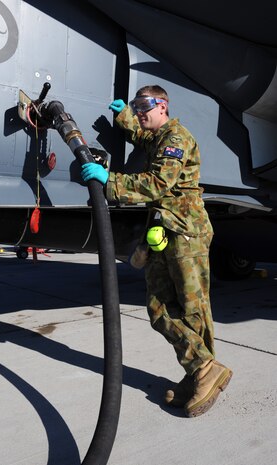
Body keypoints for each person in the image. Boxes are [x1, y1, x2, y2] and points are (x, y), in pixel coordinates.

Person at [81, 85, 232, 417]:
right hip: (166, 232)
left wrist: (109, 181)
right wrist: (123, 115)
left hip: (186, 233)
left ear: (162, 106)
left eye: (143, 106)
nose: (139, 112)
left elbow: (156, 184)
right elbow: (140, 135)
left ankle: (202, 372)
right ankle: (200, 369)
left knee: (193, 311)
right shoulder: (158, 137)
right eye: (136, 106)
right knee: (159, 309)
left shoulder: (175, 140)